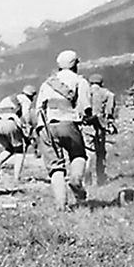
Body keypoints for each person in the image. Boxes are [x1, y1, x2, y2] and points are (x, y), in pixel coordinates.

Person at [35, 50, 92, 211]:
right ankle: (75, 180)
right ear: (75, 65)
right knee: (78, 155)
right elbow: (86, 108)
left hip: (46, 126)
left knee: (55, 167)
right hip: (68, 123)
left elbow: (38, 109)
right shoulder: (80, 81)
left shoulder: (47, 83)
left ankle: (61, 206)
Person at [0, 85, 36, 184]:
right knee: (19, 150)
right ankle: (16, 178)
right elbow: (26, 115)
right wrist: (27, 131)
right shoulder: (26, 100)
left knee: (9, 148)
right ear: (32, 95)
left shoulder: (8, 98)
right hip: (10, 122)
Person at [83, 73, 116, 187]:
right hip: (99, 126)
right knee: (100, 154)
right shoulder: (107, 94)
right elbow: (109, 112)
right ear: (102, 83)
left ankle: (87, 180)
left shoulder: (85, 93)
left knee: (87, 154)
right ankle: (100, 179)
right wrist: (109, 123)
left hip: (86, 127)